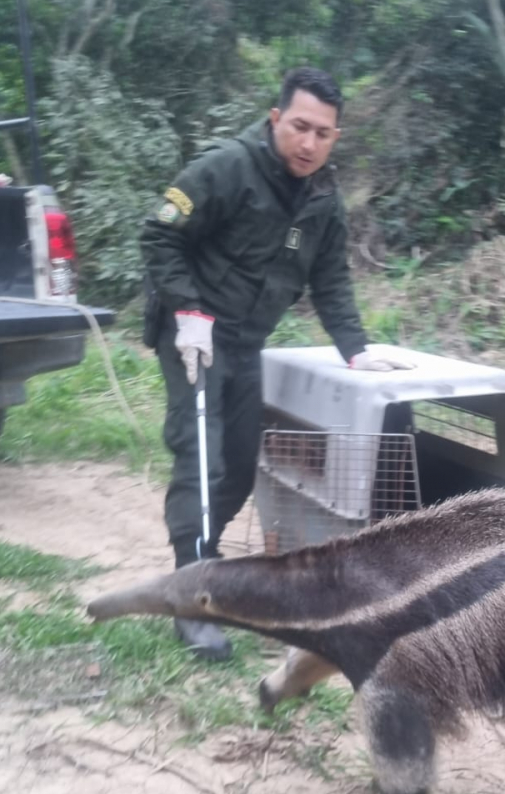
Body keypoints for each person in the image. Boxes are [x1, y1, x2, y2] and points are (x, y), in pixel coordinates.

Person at [140, 65, 413, 661]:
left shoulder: (321, 198)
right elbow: (159, 235)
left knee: (238, 464)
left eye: (322, 133)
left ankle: (201, 558)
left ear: (335, 137)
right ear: (275, 119)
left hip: (245, 341)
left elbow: (332, 279)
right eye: (299, 127)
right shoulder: (224, 169)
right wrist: (186, 311)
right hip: (193, 335)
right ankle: (192, 597)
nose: (309, 143)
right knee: (202, 457)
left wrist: (357, 350)